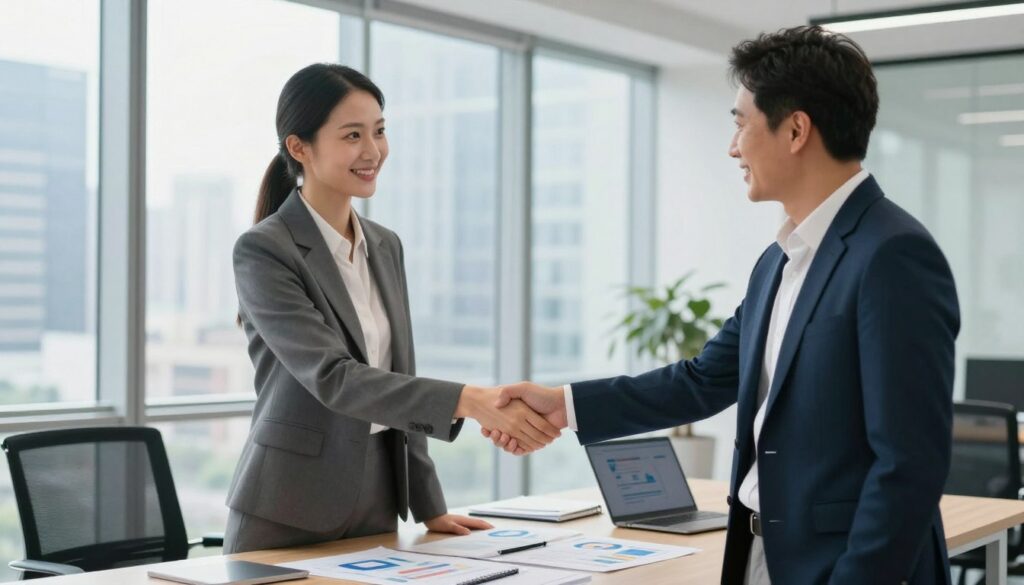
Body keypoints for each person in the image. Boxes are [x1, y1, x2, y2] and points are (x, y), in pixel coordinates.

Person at [484, 26, 960, 585]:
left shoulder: (892, 254)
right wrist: (565, 405)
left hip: (843, 569)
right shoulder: (780, 260)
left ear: (796, 129)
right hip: (763, 553)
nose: (732, 147)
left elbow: (909, 464)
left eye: (740, 123)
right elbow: (702, 380)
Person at [224, 63, 559, 553]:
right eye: (352, 135)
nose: (372, 151)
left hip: (376, 498)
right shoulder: (264, 249)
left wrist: (430, 504)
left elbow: (399, 371)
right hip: (288, 504)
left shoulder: (385, 244)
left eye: (379, 131)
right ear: (300, 148)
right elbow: (333, 377)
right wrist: (470, 399)